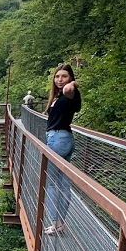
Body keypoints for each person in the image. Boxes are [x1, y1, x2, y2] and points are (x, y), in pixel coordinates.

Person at [43, 63, 81, 235]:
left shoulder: (69, 93)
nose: (60, 80)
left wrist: (72, 84)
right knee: (63, 183)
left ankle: (54, 223)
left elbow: (68, 90)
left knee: (51, 183)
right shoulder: (60, 97)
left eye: (64, 76)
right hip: (64, 139)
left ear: (70, 78)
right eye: (57, 77)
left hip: (58, 139)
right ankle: (60, 223)